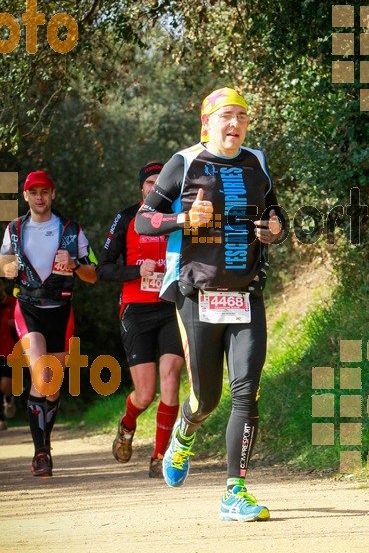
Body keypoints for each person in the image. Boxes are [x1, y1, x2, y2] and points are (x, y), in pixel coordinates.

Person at [135, 87, 284, 521]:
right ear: (207, 123)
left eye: (241, 116)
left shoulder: (256, 162)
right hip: (196, 294)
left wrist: (275, 229)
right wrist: (184, 218)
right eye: (226, 116)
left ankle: (234, 492)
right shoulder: (183, 163)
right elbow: (146, 218)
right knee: (206, 399)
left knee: (246, 393)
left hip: (246, 295)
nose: (235, 124)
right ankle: (184, 432)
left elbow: (275, 215)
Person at [0, 170, 97, 476]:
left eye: (45, 192)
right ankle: (40, 453)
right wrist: (8, 269)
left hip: (61, 310)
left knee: (51, 386)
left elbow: (93, 274)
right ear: (25, 196)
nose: (39, 197)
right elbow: (4, 268)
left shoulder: (71, 230)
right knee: (42, 375)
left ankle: (45, 443)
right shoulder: (14, 229)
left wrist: (76, 265)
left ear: (53, 194)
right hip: (28, 308)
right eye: (34, 192)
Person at [97, 162, 184, 478]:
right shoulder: (125, 218)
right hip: (136, 310)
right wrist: (137, 271)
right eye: (150, 183)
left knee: (171, 377)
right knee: (145, 394)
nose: (155, 188)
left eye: (161, 183)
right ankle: (128, 422)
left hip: (172, 306)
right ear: (142, 188)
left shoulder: (178, 217)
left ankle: (160, 455)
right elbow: (103, 268)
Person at [0, 277, 16, 429]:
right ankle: (1, 418)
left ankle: (9, 398)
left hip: (9, 351)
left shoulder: (13, 303)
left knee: (5, 385)